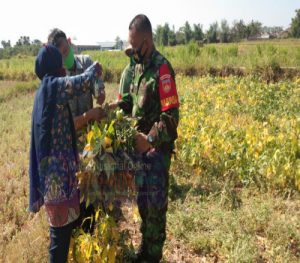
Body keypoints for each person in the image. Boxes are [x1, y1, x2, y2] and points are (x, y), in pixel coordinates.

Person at [111, 14, 180, 262]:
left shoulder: (162, 69)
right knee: (143, 203)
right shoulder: (137, 68)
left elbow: (171, 117)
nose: (132, 51)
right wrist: (115, 108)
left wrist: (150, 139)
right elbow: (130, 102)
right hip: (140, 154)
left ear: (147, 42)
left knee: (155, 208)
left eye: (135, 45)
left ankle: (153, 255)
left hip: (156, 154)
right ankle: (145, 248)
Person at [29, 44, 102, 262]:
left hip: (58, 177)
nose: (63, 65)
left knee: (65, 231)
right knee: (59, 240)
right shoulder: (53, 87)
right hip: (57, 181)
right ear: (53, 65)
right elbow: (82, 82)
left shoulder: (43, 92)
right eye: (59, 61)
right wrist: (95, 67)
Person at [47, 28, 106, 137]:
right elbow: (65, 125)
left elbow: (99, 89)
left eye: (65, 51)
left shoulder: (87, 62)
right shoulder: (58, 80)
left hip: (91, 134)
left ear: (69, 42)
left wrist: (100, 93)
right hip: (71, 140)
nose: (64, 58)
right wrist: (88, 116)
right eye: (60, 57)